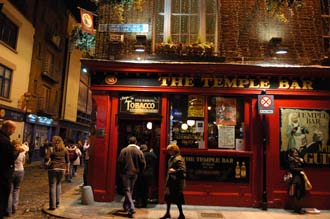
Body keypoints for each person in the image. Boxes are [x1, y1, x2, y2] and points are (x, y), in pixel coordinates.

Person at [117, 136, 146, 218]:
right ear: (136, 142)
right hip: (135, 173)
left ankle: (131, 207)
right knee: (130, 189)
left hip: (126, 173)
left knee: (127, 189)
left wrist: (120, 172)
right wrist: (140, 171)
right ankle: (126, 206)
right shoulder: (139, 151)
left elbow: (119, 162)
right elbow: (143, 163)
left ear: (129, 142)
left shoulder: (124, 150)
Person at [0, 120, 21, 219]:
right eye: (13, 129)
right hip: (3, 175)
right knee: (3, 197)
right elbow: (9, 159)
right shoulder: (5, 141)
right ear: (7, 128)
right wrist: (17, 152)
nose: (13, 132)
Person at [160, 143, 186, 219]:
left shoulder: (178, 158)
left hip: (176, 183)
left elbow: (182, 169)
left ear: (174, 150)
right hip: (171, 182)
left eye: (170, 150)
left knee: (177, 199)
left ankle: (181, 214)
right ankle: (168, 213)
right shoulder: (172, 158)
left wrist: (174, 171)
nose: (168, 152)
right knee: (168, 198)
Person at [44, 136, 69, 210]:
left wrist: (48, 156)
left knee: (52, 186)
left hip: (53, 168)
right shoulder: (65, 150)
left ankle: (52, 205)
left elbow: (46, 158)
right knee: (58, 184)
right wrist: (67, 170)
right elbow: (67, 161)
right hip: (62, 169)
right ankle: (57, 203)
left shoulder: (51, 149)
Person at [7, 140, 29, 216]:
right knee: (17, 189)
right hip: (20, 171)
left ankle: (8, 210)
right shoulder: (22, 153)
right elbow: (24, 162)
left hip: (12, 171)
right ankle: (14, 207)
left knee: (9, 191)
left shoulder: (11, 153)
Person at [135, 144, 157, 208]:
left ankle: (139, 203)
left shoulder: (140, 154)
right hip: (149, 174)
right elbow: (155, 157)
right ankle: (145, 203)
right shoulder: (150, 154)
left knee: (139, 189)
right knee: (146, 189)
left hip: (141, 174)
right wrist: (151, 152)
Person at [287, 148, 306, 214]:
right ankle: (297, 209)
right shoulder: (291, 160)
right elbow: (292, 169)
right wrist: (301, 169)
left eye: (297, 152)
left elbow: (304, 165)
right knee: (297, 193)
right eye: (295, 153)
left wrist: (302, 161)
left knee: (299, 193)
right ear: (291, 154)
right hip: (296, 178)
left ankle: (298, 208)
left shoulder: (298, 159)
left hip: (299, 178)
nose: (296, 153)